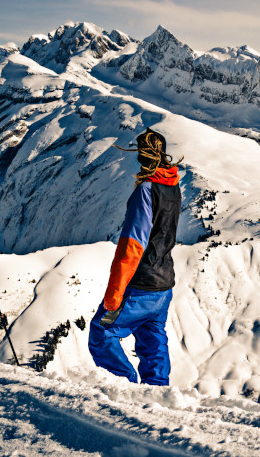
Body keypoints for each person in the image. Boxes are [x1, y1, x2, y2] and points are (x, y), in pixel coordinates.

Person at [88, 128, 182, 385]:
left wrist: (114, 294)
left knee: (101, 332)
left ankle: (125, 385)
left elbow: (132, 246)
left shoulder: (146, 191)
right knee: (153, 339)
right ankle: (159, 391)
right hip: (163, 285)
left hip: (140, 285)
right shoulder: (173, 187)